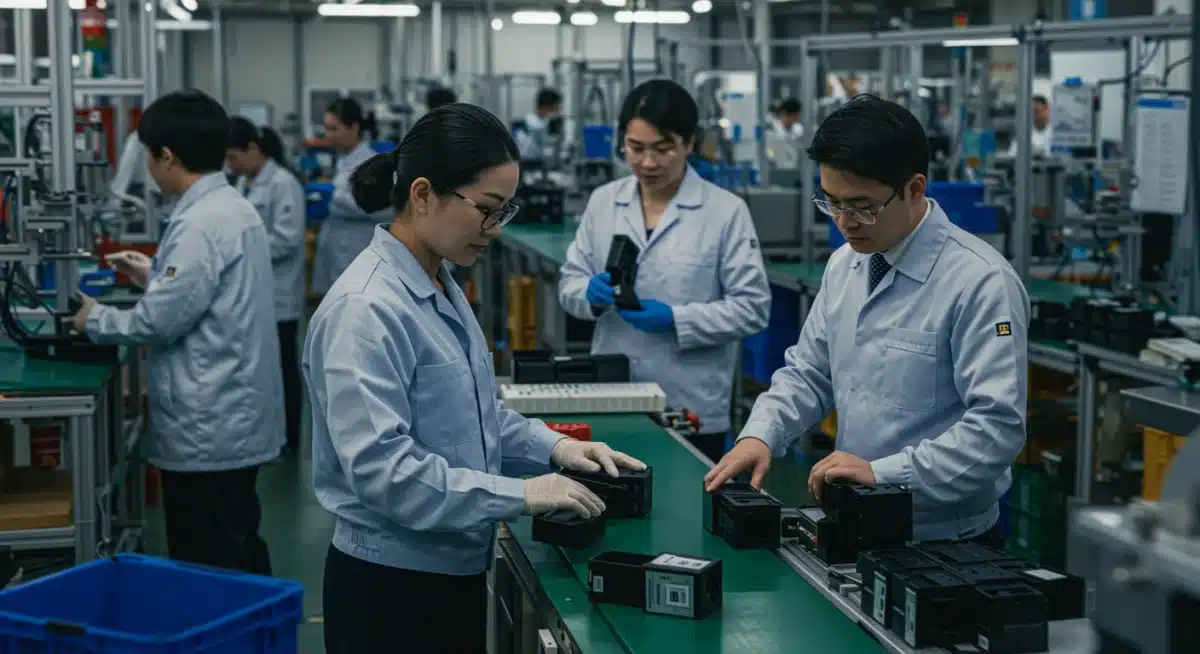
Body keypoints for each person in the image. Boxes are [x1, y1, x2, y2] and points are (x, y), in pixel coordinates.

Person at [303, 102, 645, 653]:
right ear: (422, 195)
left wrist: (555, 450)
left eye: (505, 212)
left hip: (452, 567)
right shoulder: (364, 311)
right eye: (487, 209)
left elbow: (473, 414)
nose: (495, 230)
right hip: (391, 591)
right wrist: (523, 492)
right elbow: (385, 474)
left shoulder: (440, 283)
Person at [704, 95, 1029, 546]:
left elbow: (996, 430)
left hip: (945, 539)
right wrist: (760, 435)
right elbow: (810, 374)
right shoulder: (846, 264)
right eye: (831, 203)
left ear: (915, 189)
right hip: (855, 519)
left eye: (861, 206)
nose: (843, 222)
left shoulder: (980, 282)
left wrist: (883, 473)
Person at [71, 90, 281, 574]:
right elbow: (210, 292)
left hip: (209, 426)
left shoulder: (199, 223)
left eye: (148, 156)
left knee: (212, 559)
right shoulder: (229, 207)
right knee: (237, 544)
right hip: (232, 415)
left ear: (166, 156)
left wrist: (94, 319)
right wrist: (154, 273)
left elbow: (156, 322)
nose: (147, 166)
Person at [558, 80, 771, 464]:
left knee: (687, 506)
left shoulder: (724, 211)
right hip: (611, 392)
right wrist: (586, 294)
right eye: (635, 148)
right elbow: (569, 282)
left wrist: (676, 319)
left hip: (690, 401)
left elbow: (753, 308)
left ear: (689, 143)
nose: (648, 163)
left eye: (663, 149)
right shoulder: (604, 201)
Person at [226, 117, 307, 457]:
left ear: (253, 150)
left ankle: (290, 437)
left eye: (234, 156)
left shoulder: (282, 184)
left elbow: (287, 240)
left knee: (285, 369)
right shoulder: (247, 182)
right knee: (262, 369)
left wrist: (242, 249)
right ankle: (267, 431)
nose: (230, 164)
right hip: (256, 290)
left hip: (280, 293)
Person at [311, 97, 390, 294]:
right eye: (326, 128)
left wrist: (332, 196)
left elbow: (378, 207)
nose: (328, 135)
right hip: (337, 254)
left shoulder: (370, 162)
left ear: (354, 127)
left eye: (334, 129)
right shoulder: (342, 160)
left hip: (357, 251)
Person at [514, 87, 563, 162]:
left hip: (535, 163)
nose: (558, 110)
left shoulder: (539, 121)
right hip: (529, 163)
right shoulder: (533, 123)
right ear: (547, 107)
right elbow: (546, 143)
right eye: (556, 107)